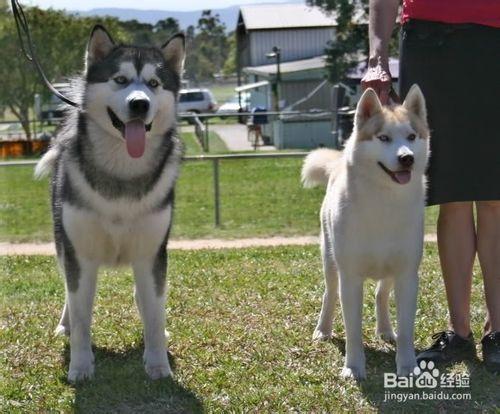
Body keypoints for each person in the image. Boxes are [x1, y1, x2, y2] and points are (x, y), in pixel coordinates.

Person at [362, 0, 500, 372]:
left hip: (494, 41)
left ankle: (498, 332)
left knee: (494, 198)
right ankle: (460, 332)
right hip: (429, 44)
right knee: (451, 197)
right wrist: (378, 54)